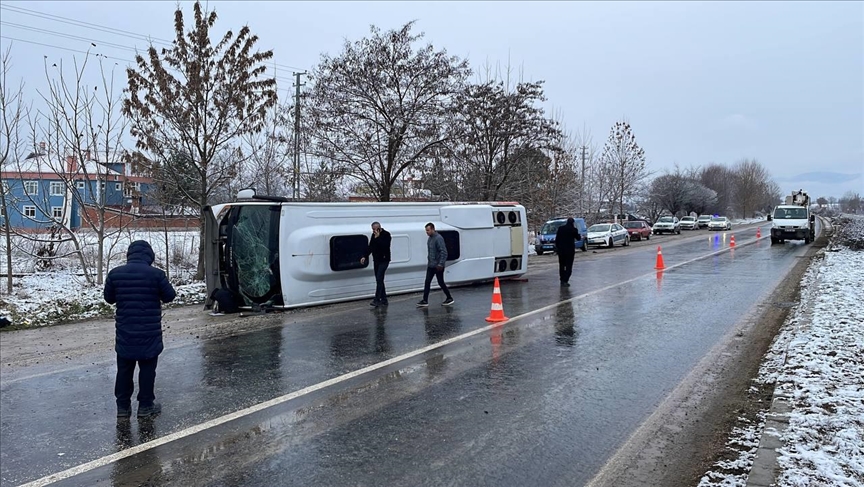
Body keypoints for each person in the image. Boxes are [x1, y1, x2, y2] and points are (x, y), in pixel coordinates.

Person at [104, 240, 176, 419]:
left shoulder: (115, 274)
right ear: (149, 256)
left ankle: (122, 408)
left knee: (124, 370)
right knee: (147, 370)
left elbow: (109, 298)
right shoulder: (156, 275)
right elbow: (169, 296)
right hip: (149, 333)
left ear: (129, 255)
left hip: (125, 332)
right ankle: (145, 407)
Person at [417, 222, 454, 307]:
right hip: (431, 264)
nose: (427, 232)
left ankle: (449, 297)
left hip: (438, 265)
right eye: (426, 231)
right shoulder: (430, 239)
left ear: (433, 229)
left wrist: (441, 264)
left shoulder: (438, 238)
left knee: (440, 282)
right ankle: (425, 300)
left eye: (428, 230)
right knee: (427, 282)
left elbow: (444, 252)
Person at [360, 221, 392, 307]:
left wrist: (378, 238)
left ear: (379, 228)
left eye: (375, 229)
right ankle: (384, 299)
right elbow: (371, 246)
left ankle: (377, 299)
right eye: (373, 230)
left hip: (384, 260)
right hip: (377, 260)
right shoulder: (373, 236)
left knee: (379, 278)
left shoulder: (386, 235)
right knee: (379, 279)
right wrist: (365, 256)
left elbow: (385, 246)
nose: (374, 231)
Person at [555, 218, 580, 287]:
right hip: (570, 251)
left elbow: (557, 239)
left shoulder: (561, 229)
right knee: (569, 266)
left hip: (561, 251)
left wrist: (558, 248)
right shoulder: (573, 230)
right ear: (573, 223)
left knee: (562, 265)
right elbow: (578, 238)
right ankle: (565, 280)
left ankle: (562, 280)